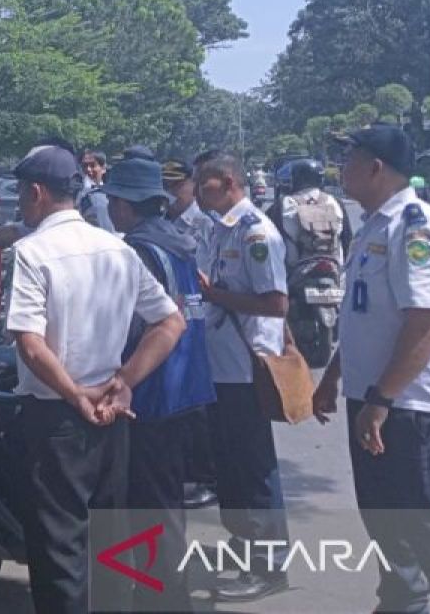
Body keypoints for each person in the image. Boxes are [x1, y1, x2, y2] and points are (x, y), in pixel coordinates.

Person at [6, 143, 186, 614]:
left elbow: (29, 341)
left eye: (22, 194)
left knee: (60, 550)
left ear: (38, 193)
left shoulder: (31, 251)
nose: (19, 203)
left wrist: (73, 393)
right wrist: (125, 381)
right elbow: (171, 324)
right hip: (112, 412)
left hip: (56, 417)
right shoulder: (117, 249)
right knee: (111, 540)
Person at [313, 124, 430, 614]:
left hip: (413, 407)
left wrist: (382, 399)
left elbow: (427, 321)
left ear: (375, 168)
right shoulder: (373, 223)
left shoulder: (416, 226)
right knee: (386, 524)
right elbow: (366, 317)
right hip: (376, 402)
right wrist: (333, 378)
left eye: (349, 158)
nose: (340, 167)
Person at [104, 157, 216, 613]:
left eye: (112, 200)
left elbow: (138, 324)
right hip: (185, 387)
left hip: (153, 392)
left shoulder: (140, 249)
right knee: (165, 504)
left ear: (127, 206)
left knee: (150, 507)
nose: (109, 208)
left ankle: (163, 599)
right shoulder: (177, 240)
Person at [194, 151, 292, 601]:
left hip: (247, 365)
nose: (197, 191)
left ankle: (270, 565)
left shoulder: (256, 232)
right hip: (221, 366)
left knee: (254, 468)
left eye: (203, 183)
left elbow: (276, 304)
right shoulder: (220, 228)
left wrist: (215, 295)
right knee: (228, 465)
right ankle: (242, 545)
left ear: (228, 180)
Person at [163, 157, 221, 511]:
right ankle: (189, 473)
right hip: (173, 318)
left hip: (203, 319)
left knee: (200, 409)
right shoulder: (166, 222)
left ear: (191, 186)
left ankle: (206, 477)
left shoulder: (205, 224)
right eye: (165, 187)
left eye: (175, 186)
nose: (170, 194)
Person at [267, 158, 351, 270]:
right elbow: (348, 241)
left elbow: (268, 240)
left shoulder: (283, 204)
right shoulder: (336, 202)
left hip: (294, 272)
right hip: (334, 271)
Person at [77, 149, 114, 230]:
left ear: (103, 168)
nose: (88, 169)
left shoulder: (112, 195)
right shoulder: (76, 195)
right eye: (84, 166)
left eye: (93, 165)